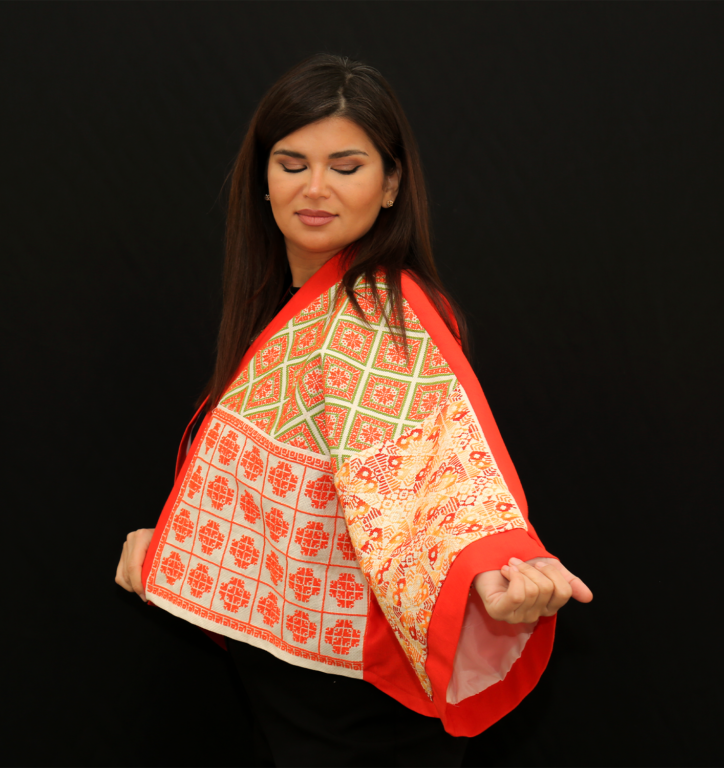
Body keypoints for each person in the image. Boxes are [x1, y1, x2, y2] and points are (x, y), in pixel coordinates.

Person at [115, 53, 592, 766]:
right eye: (290, 162)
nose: (314, 188)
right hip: (297, 698)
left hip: (354, 721)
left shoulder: (375, 317)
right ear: (261, 179)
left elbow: (427, 476)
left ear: (391, 183)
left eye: (346, 166)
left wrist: (497, 566)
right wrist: (175, 549)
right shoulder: (289, 308)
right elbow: (295, 497)